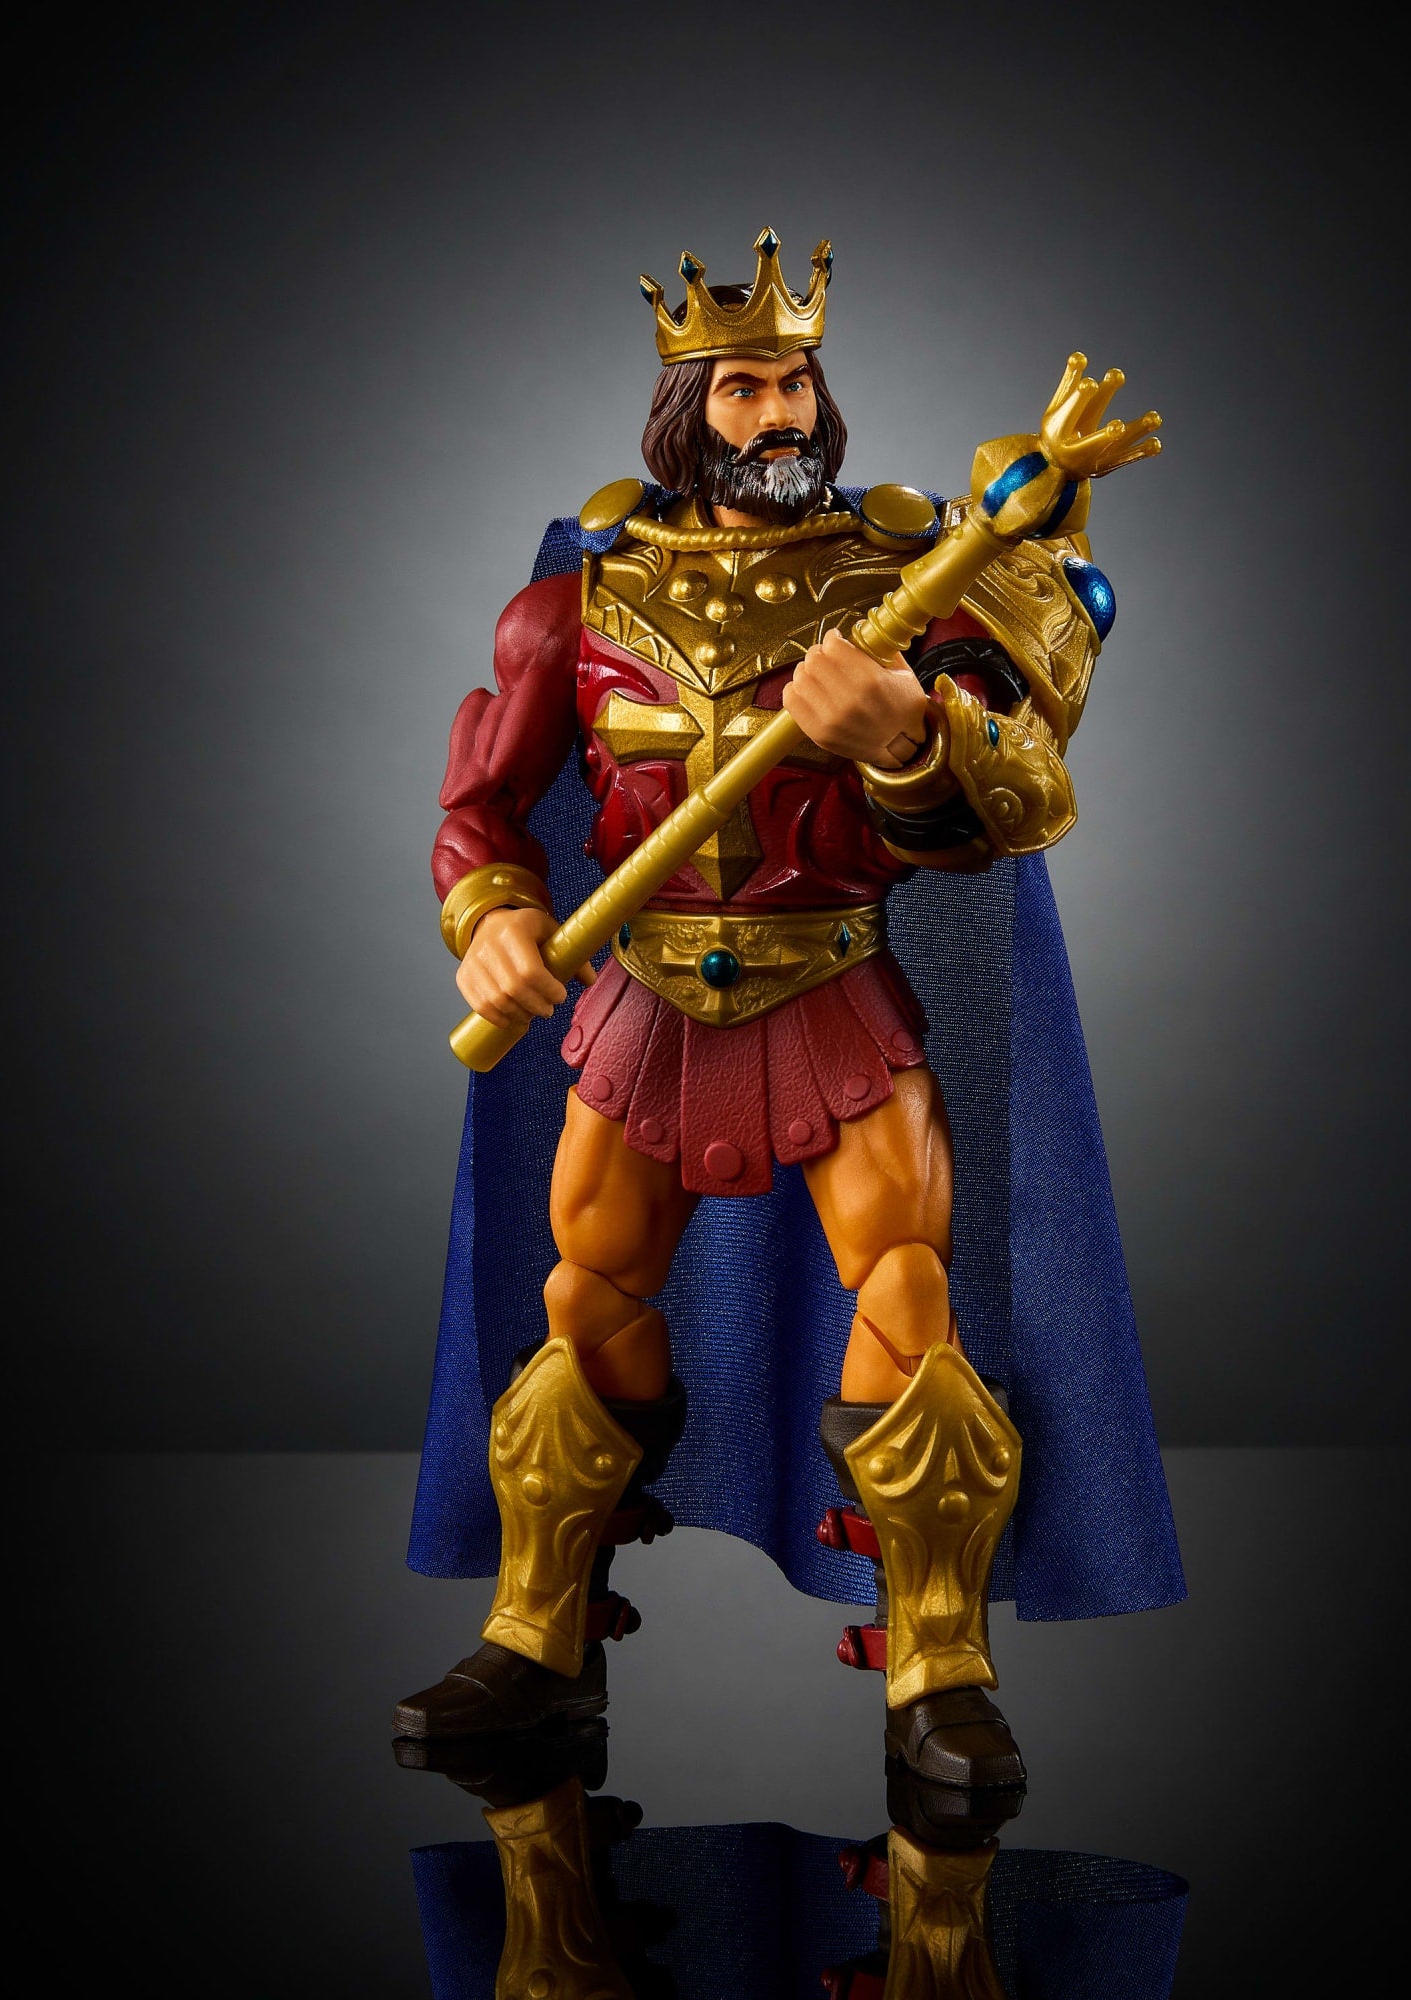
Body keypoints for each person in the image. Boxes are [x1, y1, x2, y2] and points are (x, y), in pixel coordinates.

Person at [397, 231, 1181, 1786]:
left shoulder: (896, 588)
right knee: (583, 1303)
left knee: (907, 1302)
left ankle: (937, 1663)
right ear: (685, 412)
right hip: (644, 1002)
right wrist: (489, 920)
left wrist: (905, 734)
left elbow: (1018, 801)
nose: (781, 416)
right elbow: (481, 804)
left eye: (797, 383)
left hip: (832, 984)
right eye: (744, 387)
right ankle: (539, 1634)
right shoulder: (580, 603)